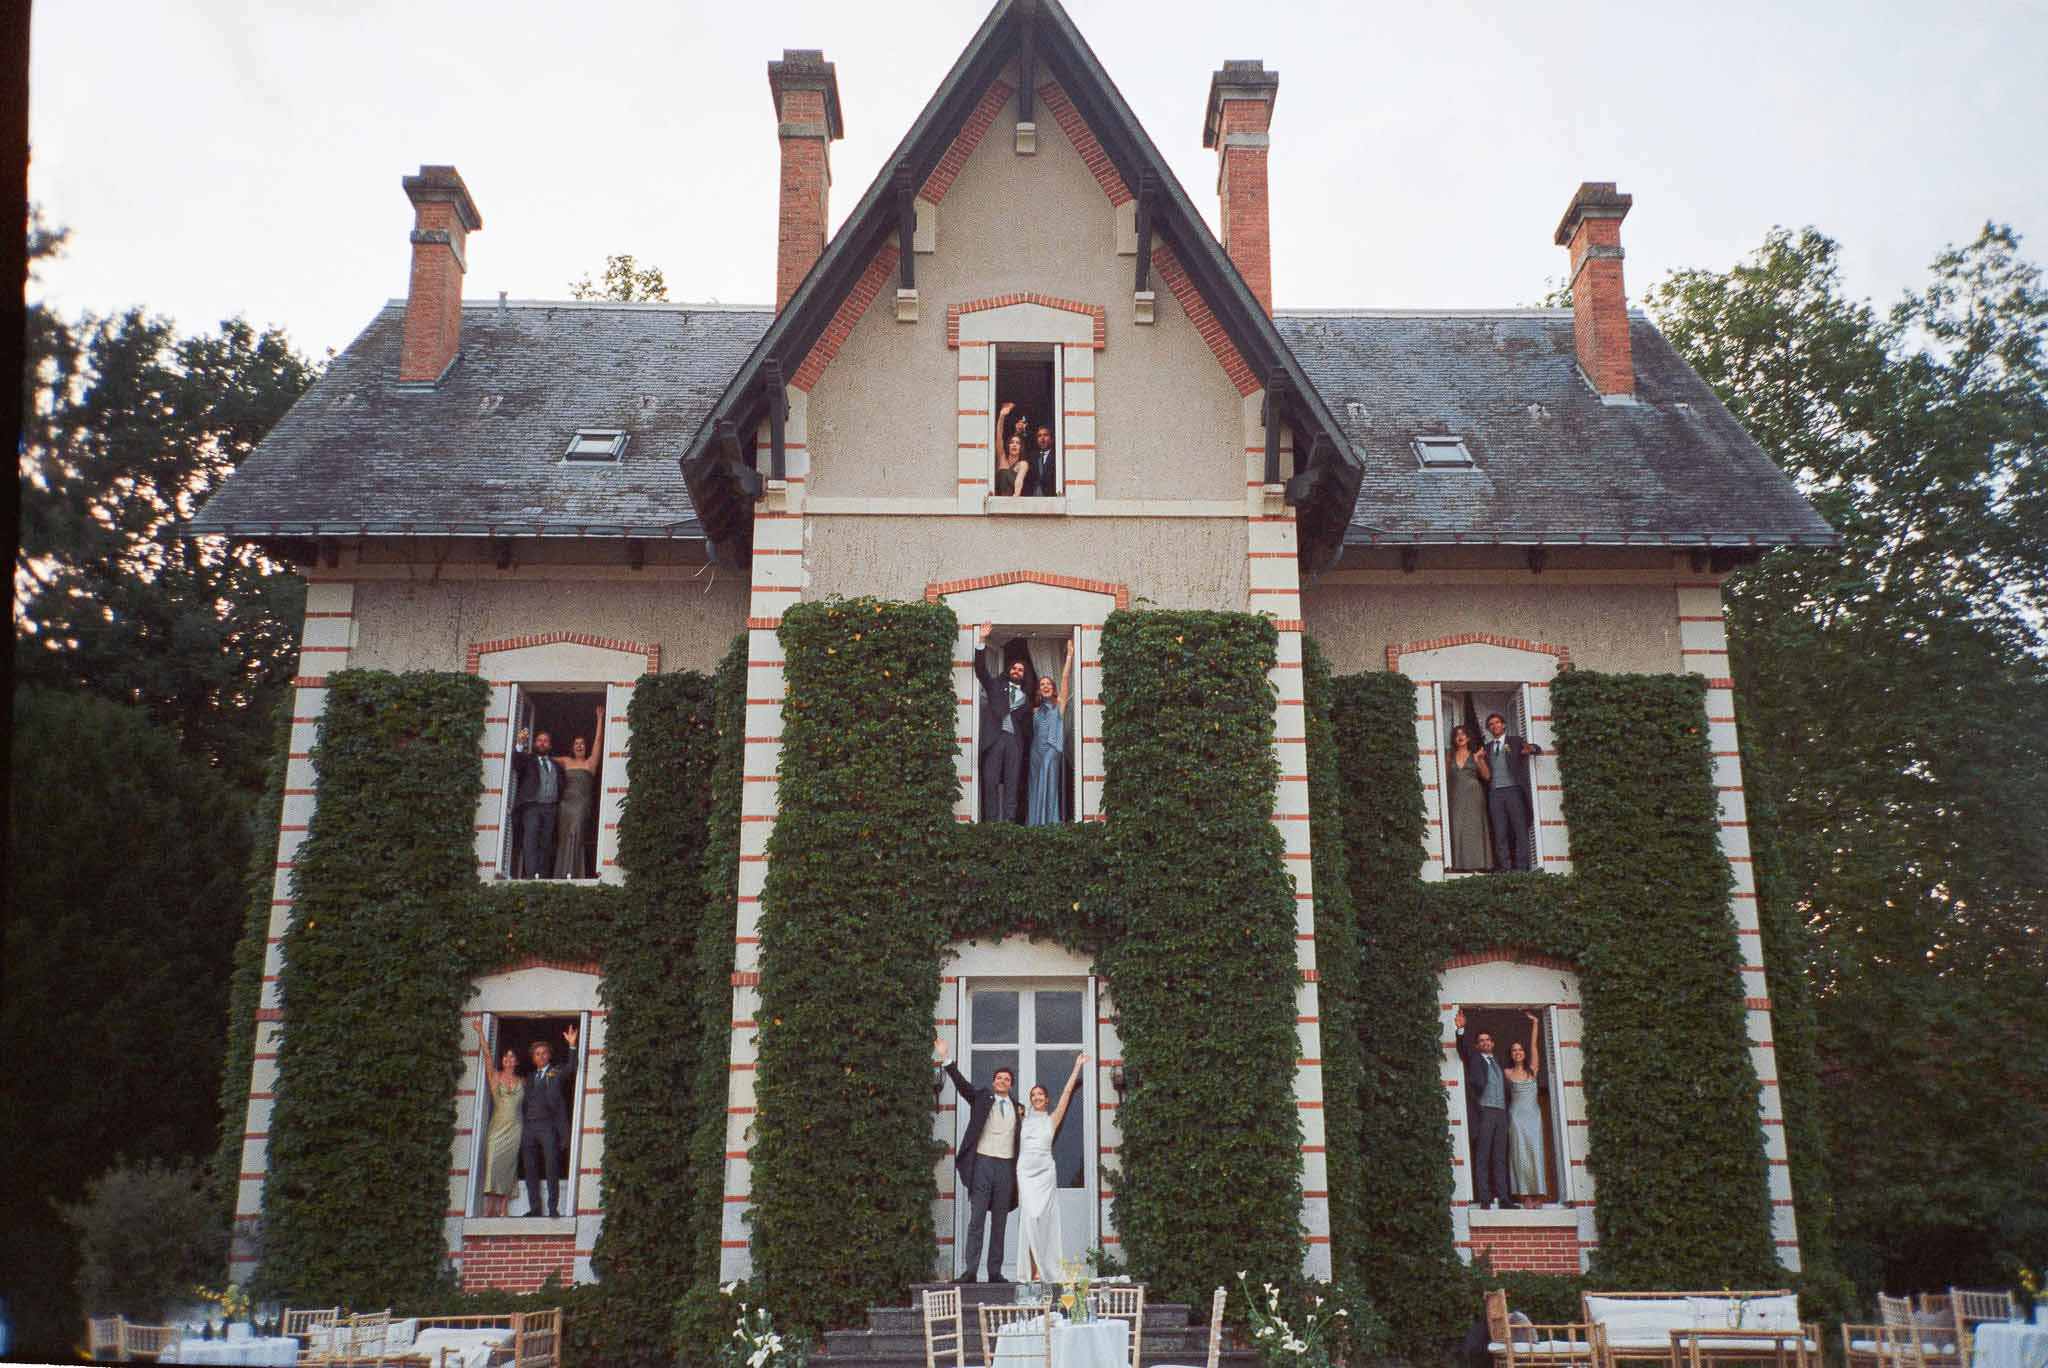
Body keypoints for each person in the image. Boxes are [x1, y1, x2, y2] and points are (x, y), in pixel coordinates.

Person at [935, 1037, 1021, 1283]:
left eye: (1007, 1079)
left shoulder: (1019, 1108)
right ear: (994, 1082)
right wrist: (946, 1059)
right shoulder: (982, 1097)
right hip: (983, 1163)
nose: (1002, 1081)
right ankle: (971, 1271)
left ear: (1011, 1085)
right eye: (999, 1078)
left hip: (1006, 1166)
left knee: (1000, 1222)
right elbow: (963, 1087)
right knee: (977, 1219)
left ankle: (995, 1272)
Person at [1017, 1053, 1090, 1281]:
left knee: (1043, 1220)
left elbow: (1067, 1093)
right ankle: (1033, 1269)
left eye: (1040, 1094)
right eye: (1033, 1095)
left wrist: (1076, 1066)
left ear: (1046, 1099)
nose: (1036, 1097)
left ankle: (1043, 1268)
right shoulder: (1022, 1119)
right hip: (1025, 1173)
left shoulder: (1052, 1119)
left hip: (1045, 1173)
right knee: (1029, 1218)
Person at [519, 1024, 580, 1217]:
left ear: (549, 1055)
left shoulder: (556, 1072)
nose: (541, 1056)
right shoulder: (528, 1078)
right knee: (530, 1169)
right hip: (529, 1127)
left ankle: (553, 1208)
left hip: (547, 1126)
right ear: (533, 1058)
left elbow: (572, 1067)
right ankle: (535, 1208)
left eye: (544, 1053)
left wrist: (572, 1045)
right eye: (537, 1054)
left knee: (551, 1166)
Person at [975, 622, 1033, 823]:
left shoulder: (1026, 698)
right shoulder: (995, 687)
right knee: (990, 782)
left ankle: (1008, 823)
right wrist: (982, 640)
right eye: (1015, 668)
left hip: (1014, 743)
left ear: (1024, 675)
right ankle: (991, 823)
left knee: (1012, 784)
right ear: (1009, 669)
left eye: (1021, 670)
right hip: (994, 739)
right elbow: (981, 670)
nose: (1017, 671)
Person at [1454, 1008, 1511, 1210]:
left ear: (1492, 1043)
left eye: (1488, 1040)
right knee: (1483, 1155)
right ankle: (1485, 1199)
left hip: (1501, 1113)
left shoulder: (1499, 1062)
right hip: (1484, 1111)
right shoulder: (1476, 1058)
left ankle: (1504, 1199)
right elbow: (1464, 1049)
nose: (1486, 1043)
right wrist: (1461, 1030)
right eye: (1482, 1041)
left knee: (1500, 1157)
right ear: (1478, 1045)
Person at [1481, 712, 1544, 872]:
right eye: (1491, 724)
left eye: (1497, 723)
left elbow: (1537, 749)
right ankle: (1505, 867)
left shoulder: (1515, 741)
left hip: (1514, 791)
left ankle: (1522, 868)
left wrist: (1531, 749)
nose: (1495, 726)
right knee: (1500, 831)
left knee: (1519, 829)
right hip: (1495, 793)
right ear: (1489, 729)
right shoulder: (1487, 748)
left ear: (1503, 725)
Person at [473, 1020, 524, 1217]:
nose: (509, 1060)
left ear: (517, 1061)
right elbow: (487, 1056)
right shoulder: (494, 1077)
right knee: (493, 1164)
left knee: (509, 1167)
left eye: (512, 1057)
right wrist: (480, 1033)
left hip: (516, 1129)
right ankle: (490, 1208)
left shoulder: (523, 1081)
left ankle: (503, 1208)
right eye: (506, 1057)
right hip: (497, 1127)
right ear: (502, 1060)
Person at [1025, 642, 1074, 826]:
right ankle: (1035, 824)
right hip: (1036, 751)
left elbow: (1065, 678)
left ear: (1053, 688)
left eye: (1048, 684)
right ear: (1039, 689)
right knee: (1036, 785)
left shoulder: (1058, 705)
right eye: (1042, 684)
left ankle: (1050, 823)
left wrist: (1069, 656)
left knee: (1049, 782)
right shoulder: (1035, 710)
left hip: (1053, 749)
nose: (1045, 686)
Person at [552, 706, 604, 879]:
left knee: (577, 834)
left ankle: (574, 874)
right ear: (572, 747)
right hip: (565, 805)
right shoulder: (566, 761)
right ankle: (562, 874)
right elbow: (544, 758)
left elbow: (598, 742)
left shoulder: (590, 763)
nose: (579, 746)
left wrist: (600, 719)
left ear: (585, 747)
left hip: (581, 805)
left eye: (582, 743)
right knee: (565, 837)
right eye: (576, 744)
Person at [1505, 1012, 1546, 1208]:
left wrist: (1535, 1024)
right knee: (1519, 1154)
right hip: (1516, 1118)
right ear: (1511, 1054)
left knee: (1535, 1152)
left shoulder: (1533, 1069)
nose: (1518, 1052)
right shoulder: (1507, 1072)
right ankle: (1524, 1196)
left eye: (1520, 1049)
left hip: (1533, 1117)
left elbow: (1534, 1046)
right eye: (1514, 1050)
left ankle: (1538, 1193)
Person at [511, 728, 563, 879]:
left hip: (550, 808)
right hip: (532, 806)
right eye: (539, 740)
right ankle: (531, 877)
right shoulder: (528, 760)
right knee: (530, 842)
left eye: (545, 741)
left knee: (546, 844)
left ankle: (542, 877)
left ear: (550, 745)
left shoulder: (556, 765)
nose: (542, 743)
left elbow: (562, 784)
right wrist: (520, 744)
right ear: (534, 743)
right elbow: (517, 762)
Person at [1445, 724, 1493, 871]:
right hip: (1455, 795)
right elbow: (1444, 777)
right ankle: (1458, 866)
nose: (1460, 737)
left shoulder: (1474, 754)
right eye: (1457, 735)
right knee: (1457, 827)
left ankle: (1478, 865)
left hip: (1474, 795)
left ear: (1468, 737)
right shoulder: (1449, 756)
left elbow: (1486, 776)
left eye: (1463, 734)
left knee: (1474, 828)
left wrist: (1479, 759)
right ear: (1454, 739)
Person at [1028, 424, 1057, 497]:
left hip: (1051, 498)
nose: (1042, 438)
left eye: (1045, 435)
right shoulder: (1032, 457)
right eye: (1039, 436)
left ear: (1051, 438)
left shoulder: (1057, 456)